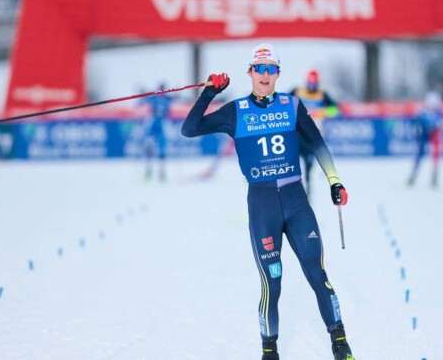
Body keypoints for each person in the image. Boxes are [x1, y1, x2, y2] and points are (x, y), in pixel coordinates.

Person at [181, 43, 355, 360]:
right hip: (262, 207)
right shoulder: (235, 111)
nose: (264, 75)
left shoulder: (292, 105)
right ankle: (269, 351)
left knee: (317, 274)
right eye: (259, 69)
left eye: (270, 69)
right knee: (272, 284)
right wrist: (208, 93)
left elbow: (317, 142)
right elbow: (189, 128)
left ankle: (340, 344)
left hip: (296, 202)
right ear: (250, 73)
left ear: (277, 74)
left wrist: (334, 181)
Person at [290, 70, 339, 195]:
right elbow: (282, 102)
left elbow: (336, 110)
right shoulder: (298, 91)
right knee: (292, 165)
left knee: (308, 168)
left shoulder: (323, 95)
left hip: (312, 137)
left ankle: (308, 193)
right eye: (310, 82)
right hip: (296, 135)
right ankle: (293, 192)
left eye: (314, 83)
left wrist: (321, 112)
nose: (311, 85)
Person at [407, 86, 443, 188]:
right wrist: (417, 131)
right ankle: (413, 174)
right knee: (420, 154)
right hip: (424, 134)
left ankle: (434, 175)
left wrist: (440, 126)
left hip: (434, 134)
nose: (432, 108)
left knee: (436, 152)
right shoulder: (422, 113)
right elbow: (414, 124)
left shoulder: (440, 113)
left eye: (434, 106)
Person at [139, 83, 173, 181]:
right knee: (149, 149)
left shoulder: (167, 99)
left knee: (162, 150)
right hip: (153, 124)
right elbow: (144, 99)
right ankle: (148, 171)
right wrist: (143, 92)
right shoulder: (154, 98)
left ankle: (162, 172)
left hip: (162, 125)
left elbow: (174, 100)